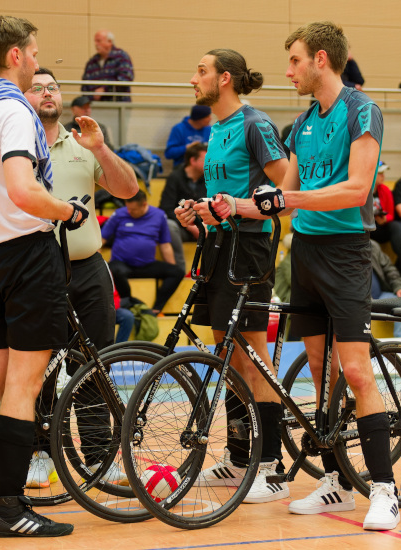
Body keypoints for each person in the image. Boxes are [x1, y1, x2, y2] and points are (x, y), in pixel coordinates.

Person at [242, 21, 398, 530]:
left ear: (322, 59)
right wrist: (223, 206)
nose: (288, 71)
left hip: (347, 252)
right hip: (304, 252)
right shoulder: (301, 125)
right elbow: (279, 194)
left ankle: (384, 489)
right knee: (320, 374)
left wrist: (289, 198)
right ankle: (334, 484)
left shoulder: (362, 111)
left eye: (294, 61)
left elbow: (356, 189)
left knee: (355, 371)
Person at [0, 15, 88, 538]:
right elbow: (24, 191)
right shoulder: (12, 110)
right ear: (15, 56)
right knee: (25, 384)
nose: (36, 60)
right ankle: (11, 506)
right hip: (29, 255)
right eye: (33, 53)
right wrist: (66, 211)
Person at [174, 48, 291, 506]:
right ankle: (240, 455)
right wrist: (202, 213)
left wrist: (245, 207)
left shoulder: (254, 124)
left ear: (224, 79)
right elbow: (224, 197)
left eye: (200, 71)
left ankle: (271, 464)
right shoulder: (216, 129)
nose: (193, 79)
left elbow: (287, 186)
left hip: (252, 248)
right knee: (228, 351)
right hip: (221, 245)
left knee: (253, 355)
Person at [22, 67, 137, 488]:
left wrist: (102, 150)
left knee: (92, 367)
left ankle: (98, 457)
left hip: (88, 269)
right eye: (37, 87)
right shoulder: (16, 145)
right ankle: (40, 453)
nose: (47, 92)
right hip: (37, 269)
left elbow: (128, 189)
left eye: (53, 86)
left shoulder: (82, 144)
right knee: (39, 370)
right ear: (23, 96)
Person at [104, 189, 184, 314]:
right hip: (122, 264)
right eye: (128, 208)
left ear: (144, 204)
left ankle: (157, 308)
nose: (129, 212)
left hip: (147, 265)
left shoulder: (158, 215)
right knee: (113, 269)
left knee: (177, 272)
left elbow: (165, 245)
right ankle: (128, 303)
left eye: (133, 210)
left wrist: (171, 266)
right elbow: (102, 239)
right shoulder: (119, 214)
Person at [159, 141, 208, 271]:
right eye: (206, 159)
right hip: (183, 225)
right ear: (193, 160)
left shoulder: (210, 178)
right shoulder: (175, 177)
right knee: (169, 226)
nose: (210, 163)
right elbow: (166, 209)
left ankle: (211, 270)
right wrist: (191, 225)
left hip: (205, 224)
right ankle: (179, 270)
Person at [370, 240, 401, 338]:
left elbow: (390, 269)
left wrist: (399, 287)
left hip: (380, 296)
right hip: (359, 300)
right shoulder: (343, 248)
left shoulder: (372, 245)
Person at [80, 30, 133, 102]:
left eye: (99, 41)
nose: (96, 44)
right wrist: (92, 96)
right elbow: (85, 85)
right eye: (95, 41)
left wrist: (104, 90)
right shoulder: (92, 62)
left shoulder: (121, 57)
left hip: (118, 105)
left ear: (110, 42)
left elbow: (125, 78)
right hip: (95, 106)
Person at [370, 161, 397, 245]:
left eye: (383, 173)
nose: (383, 176)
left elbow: (391, 214)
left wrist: (384, 219)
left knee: (395, 226)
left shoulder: (385, 189)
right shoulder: (361, 191)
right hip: (366, 226)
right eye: (380, 173)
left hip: (380, 225)